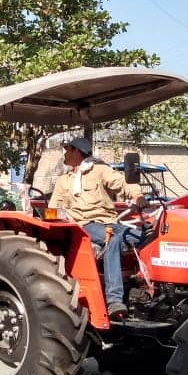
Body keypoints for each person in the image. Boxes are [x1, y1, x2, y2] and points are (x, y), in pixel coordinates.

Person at [48, 136, 146, 319]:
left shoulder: (99, 170)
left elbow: (122, 183)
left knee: (147, 236)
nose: (65, 153)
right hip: (86, 225)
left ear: (77, 152)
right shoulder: (64, 181)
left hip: (110, 222)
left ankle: (148, 289)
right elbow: (53, 209)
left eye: (67, 149)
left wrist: (137, 195)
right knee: (112, 241)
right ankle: (114, 300)